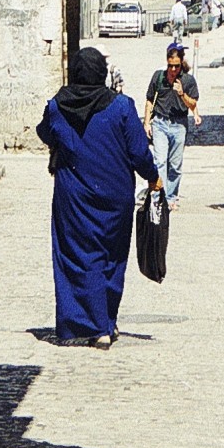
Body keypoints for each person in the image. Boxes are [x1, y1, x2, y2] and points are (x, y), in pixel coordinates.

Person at [36, 48, 161, 348]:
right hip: (115, 196)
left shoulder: (57, 106)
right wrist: (153, 177)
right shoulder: (121, 107)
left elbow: (44, 132)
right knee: (111, 256)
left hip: (73, 197)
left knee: (78, 255)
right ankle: (106, 323)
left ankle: (90, 325)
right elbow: (138, 152)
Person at [144, 42, 200, 210]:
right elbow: (149, 100)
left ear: (181, 63)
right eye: (170, 65)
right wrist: (147, 122)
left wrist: (182, 94)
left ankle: (171, 196)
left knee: (175, 164)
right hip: (160, 122)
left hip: (179, 124)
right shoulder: (158, 77)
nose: (173, 69)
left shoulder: (188, 81)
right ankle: (157, 195)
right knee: (160, 161)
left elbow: (193, 104)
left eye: (176, 66)